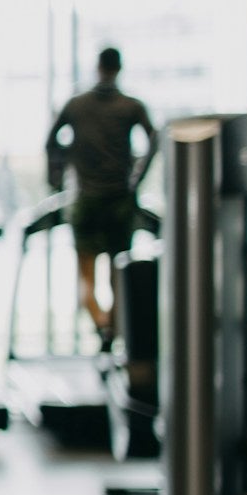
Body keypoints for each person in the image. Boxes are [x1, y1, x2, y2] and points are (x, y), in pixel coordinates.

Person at [44, 48, 156, 348]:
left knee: (86, 276)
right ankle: (112, 329)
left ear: (97, 67)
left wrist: (56, 179)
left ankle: (102, 326)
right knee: (118, 274)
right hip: (119, 199)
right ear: (119, 68)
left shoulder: (76, 105)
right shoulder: (131, 106)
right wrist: (137, 179)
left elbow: (50, 142)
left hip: (85, 199)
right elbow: (154, 138)